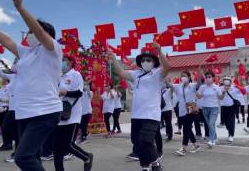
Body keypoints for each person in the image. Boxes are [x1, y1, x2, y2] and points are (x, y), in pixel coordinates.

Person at [0, 0, 62, 171]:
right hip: (25, 112)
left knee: (23, 157)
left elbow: (40, 32)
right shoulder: (26, 52)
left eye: (32, 31)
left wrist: (19, 7)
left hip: (45, 111)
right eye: (29, 32)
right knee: (33, 156)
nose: (29, 34)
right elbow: (6, 40)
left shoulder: (53, 50)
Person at [108, 42, 169, 171]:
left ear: (154, 62)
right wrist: (113, 58)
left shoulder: (157, 73)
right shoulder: (136, 74)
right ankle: (145, 166)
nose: (145, 61)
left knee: (146, 141)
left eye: (148, 59)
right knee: (137, 142)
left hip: (151, 115)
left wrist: (160, 51)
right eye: (143, 60)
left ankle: (156, 164)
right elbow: (121, 72)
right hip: (136, 115)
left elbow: (167, 68)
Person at [53, 55, 94, 171]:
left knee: (67, 144)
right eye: (60, 60)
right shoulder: (59, 76)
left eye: (64, 60)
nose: (61, 63)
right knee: (56, 148)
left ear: (71, 62)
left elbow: (79, 93)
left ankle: (87, 157)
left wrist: (65, 92)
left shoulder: (76, 75)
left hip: (72, 115)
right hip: (59, 114)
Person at [0, 56, 19, 162]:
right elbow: (0, 73)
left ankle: (18, 153)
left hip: (20, 109)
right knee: (7, 128)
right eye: (14, 62)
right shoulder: (13, 77)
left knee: (16, 131)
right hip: (12, 109)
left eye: (16, 62)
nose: (14, 65)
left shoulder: (25, 77)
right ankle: (17, 151)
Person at [172, 71, 201, 155]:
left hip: (191, 108)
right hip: (182, 110)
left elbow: (199, 85)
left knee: (185, 128)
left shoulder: (192, 85)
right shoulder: (179, 86)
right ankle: (196, 145)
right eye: (181, 76)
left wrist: (199, 76)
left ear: (189, 77)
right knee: (187, 128)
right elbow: (170, 86)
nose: (182, 77)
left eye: (184, 76)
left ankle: (184, 148)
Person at [197, 71, 221, 147]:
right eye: (206, 77)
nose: (208, 79)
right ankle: (215, 137)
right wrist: (197, 93)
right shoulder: (202, 87)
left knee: (211, 123)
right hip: (205, 108)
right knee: (210, 124)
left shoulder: (216, 87)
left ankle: (211, 140)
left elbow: (221, 97)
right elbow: (199, 96)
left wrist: (223, 92)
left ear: (213, 78)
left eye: (209, 77)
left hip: (214, 108)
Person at [219, 77, 238, 143]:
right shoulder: (221, 88)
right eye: (225, 84)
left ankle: (231, 135)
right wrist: (223, 92)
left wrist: (238, 85)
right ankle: (229, 131)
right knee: (226, 122)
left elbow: (243, 91)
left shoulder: (234, 88)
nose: (226, 86)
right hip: (224, 107)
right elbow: (220, 98)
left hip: (231, 107)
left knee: (231, 121)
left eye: (228, 84)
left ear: (230, 83)